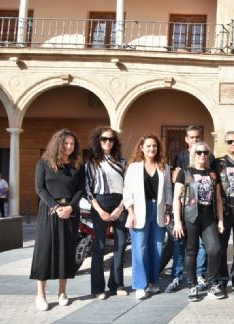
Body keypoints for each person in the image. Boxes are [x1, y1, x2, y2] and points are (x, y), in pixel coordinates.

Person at [30, 129, 85, 311]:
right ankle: (41, 294)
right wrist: (56, 207)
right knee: (44, 251)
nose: (69, 147)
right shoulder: (44, 163)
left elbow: (80, 189)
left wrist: (70, 207)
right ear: (58, 144)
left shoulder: (77, 164)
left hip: (70, 212)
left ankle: (62, 292)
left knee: (66, 251)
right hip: (49, 211)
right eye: (66, 143)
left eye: (72, 144)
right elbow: (40, 188)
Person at [172, 141, 226, 301]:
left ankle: (211, 283)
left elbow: (217, 198)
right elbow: (176, 198)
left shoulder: (212, 173)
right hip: (190, 216)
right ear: (193, 154)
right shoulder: (185, 172)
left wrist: (221, 220)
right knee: (191, 251)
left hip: (209, 216)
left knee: (215, 249)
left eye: (205, 152)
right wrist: (177, 222)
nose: (202, 155)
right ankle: (192, 285)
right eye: (199, 152)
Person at [123, 134, 173, 300]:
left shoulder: (164, 167)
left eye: (154, 146)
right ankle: (140, 285)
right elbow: (127, 191)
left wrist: (167, 211)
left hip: (157, 212)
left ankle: (152, 281)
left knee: (157, 248)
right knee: (140, 249)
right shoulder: (134, 167)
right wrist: (130, 213)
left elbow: (168, 191)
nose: (152, 149)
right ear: (142, 148)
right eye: (149, 146)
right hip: (138, 211)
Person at [85, 126, 128, 299]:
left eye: (111, 139)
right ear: (98, 141)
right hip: (99, 202)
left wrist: (120, 207)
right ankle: (97, 288)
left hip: (120, 203)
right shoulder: (91, 163)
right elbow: (87, 189)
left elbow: (128, 187)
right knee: (99, 246)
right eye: (104, 139)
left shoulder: (123, 162)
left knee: (120, 244)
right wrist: (99, 210)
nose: (107, 142)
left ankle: (116, 284)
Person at [166, 125, 209, 294]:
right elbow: (176, 181)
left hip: (203, 210)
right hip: (184, 208)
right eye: (191, 137)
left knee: (201, 244)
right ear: (186, 139)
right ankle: (177, 276)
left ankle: (200, 276)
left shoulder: (207, 155)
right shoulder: (181, 157)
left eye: (197, 137)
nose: (195, 140)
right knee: (179, 242)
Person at [211, 131, 234, 292]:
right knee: (222, 246)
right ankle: (221, 280)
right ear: (225, 144)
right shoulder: (217, 163)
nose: (233, 144)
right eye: (230, 141)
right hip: (224, 212)